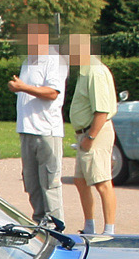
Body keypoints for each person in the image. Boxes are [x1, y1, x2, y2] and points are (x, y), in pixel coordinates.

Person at [8, 24, 68, 229]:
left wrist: (23, 87)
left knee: (49, 182)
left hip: (46, 130)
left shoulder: (54, 60)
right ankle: (40, 222)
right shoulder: (28, 61)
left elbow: (52, 92)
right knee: (32, 182)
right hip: (26, 129)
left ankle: (56, 227)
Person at [65, 34, 118, 238]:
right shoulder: (86, 71)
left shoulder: (95, 71)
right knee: (81, 180)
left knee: (102, 181)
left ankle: (109, 230)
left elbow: (102, 110)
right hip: (86, 133)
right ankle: (89, 226)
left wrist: (90, 137)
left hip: (95, 132)